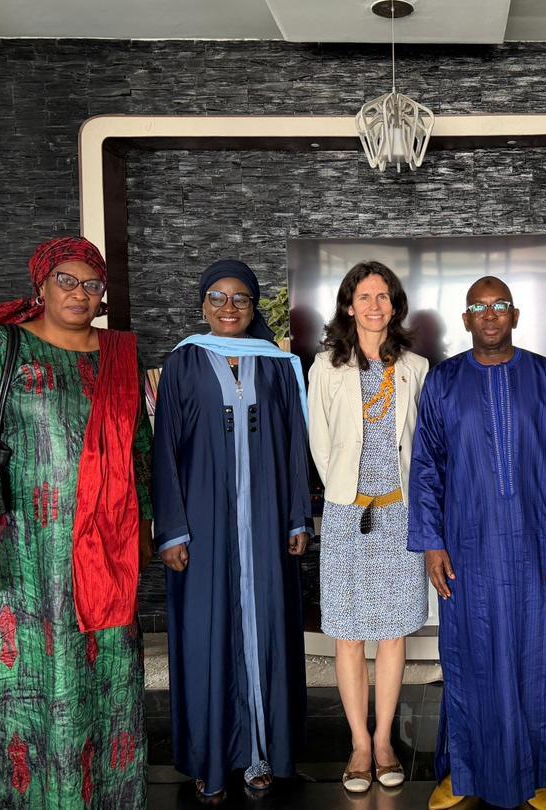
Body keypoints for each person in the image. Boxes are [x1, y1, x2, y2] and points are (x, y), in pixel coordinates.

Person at [0, 236, 152, 808]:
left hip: (105, 550)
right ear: (41, 286)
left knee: (104, 682)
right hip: (25, 552)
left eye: (91, 284)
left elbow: (140, 450)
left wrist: (147, 530)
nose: (79, 293)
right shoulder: (5, 346)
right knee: (27, 686)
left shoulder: (118, 356)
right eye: (67, 280)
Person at [408, 276, 546, 810]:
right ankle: (463, 773)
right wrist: (433, 544)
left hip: (536, 549)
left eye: (500, 305)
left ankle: (537, 775)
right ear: (465, 319)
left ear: (515, 314)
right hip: (466, 551)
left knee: (535, 660)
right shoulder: (442, 383)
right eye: (479, 307)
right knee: (468, 659)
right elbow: (426, 470)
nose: (490, 314)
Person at [152, 259, 312, 805]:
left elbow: (295, 449)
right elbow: (163, 450)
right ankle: (211, 758)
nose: (228, 307)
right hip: (203, 526)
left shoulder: (278, 366)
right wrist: (172, 531)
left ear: (254, 306)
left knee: (265, 632)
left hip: (266, 524)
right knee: (207, 636)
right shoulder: (183, 364)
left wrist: (296, 517)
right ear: (202, 304)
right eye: (218, 297)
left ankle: (262, 754)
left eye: (240, 298)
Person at [308, 261, 429, 792]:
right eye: (365, 296)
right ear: (349, 305)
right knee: (350, 633)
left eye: (384, 296)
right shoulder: (325, 367)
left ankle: (385, 741)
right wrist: (343, 489)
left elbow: (424, 444)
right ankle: (359, 744)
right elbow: (319, 443)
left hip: (400, 514)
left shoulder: (415, 367)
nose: (375, 305)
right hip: (345, 515)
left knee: (394, 632)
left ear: (394, 305)